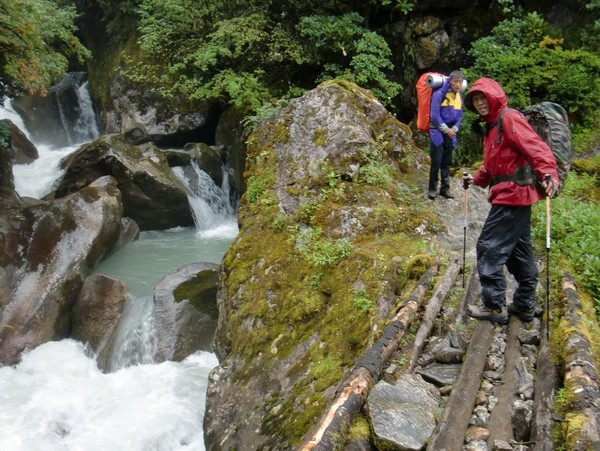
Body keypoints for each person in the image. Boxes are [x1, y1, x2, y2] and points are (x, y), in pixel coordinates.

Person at [462, 77, 558, 323]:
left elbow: (535, 147)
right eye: (475, 99)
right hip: (513, 195)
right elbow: (493, 166)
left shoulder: (509, 118)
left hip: (513, 196)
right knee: (519, 250)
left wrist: (548, 172)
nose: (480, 103)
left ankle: (494, 306)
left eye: (483, 97)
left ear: (493, 96)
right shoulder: (492, 127)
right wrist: (476, 179)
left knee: (488, 247)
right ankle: (525, 304)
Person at [427, 70, 465, 200]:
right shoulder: (439, 94)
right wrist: (446, 130)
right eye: (455, 81)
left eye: (460, 81)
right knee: (436, 162)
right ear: (450, 81)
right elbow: (434, 115)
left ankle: (445, 189)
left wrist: (455, 128)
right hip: (437, 132)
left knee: (447, 163)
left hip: (451, 133)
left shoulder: (459, 96)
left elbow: (460, 115)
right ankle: (432, 189)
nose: (458, 84)